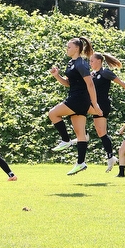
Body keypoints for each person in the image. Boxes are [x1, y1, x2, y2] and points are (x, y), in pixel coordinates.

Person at [47, 37, 101, 176]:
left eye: (69, 47)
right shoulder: (71, 63)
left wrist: (94, 104)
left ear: (77, 48)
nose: (67, 49)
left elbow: (90, 84)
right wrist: (56, 76)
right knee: (80, 133)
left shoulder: (81, 63)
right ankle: (80, 163)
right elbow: (69, 83)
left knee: (53, 114)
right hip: (76, 98)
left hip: (79, 99)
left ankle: (65, 140)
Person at [89, 52, 125, 172]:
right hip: (94, 104)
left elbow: (121, 82)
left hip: (102, 105)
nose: (90, 63)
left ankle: (83, 135)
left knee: (77, 108)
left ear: (99, 61)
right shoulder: (92, 74)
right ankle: (111, 157)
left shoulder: (105, 73)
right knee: (101, 132)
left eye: (92, 61)